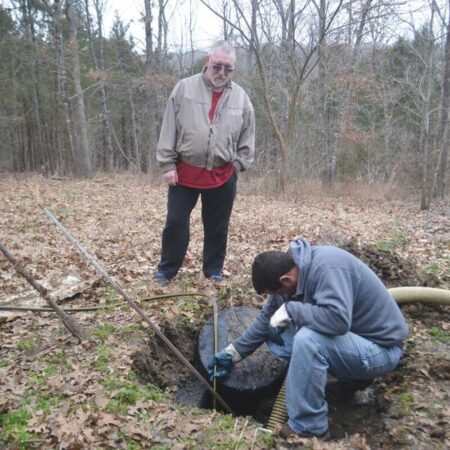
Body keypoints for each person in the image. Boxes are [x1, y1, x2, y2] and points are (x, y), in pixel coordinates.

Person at [208, 237, 408, 439]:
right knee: (289, 333)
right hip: (356, 341)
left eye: (275, 293)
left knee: (307, 340)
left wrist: (291, 309)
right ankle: (346, 384)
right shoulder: (291, 272)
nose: (278, 298)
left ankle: (309, 428)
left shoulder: (327, 269)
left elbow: (338, 321)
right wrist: (233, 352)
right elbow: (266, 319)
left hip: (381, 349)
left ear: (285, 280)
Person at [154, 41, 255, 284]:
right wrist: (167, 165)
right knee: (175, 223)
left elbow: (248, 135)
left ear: (233, 70)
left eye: (228, 69)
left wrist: (238, 165)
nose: (221, 73)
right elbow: (169, 127)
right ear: (207, 62)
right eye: (217, 66)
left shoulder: (241, 97)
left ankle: (213, 272)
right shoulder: (184, 89)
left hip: (222, 174)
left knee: (217, 227)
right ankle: (167, 270)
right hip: (184, 172)